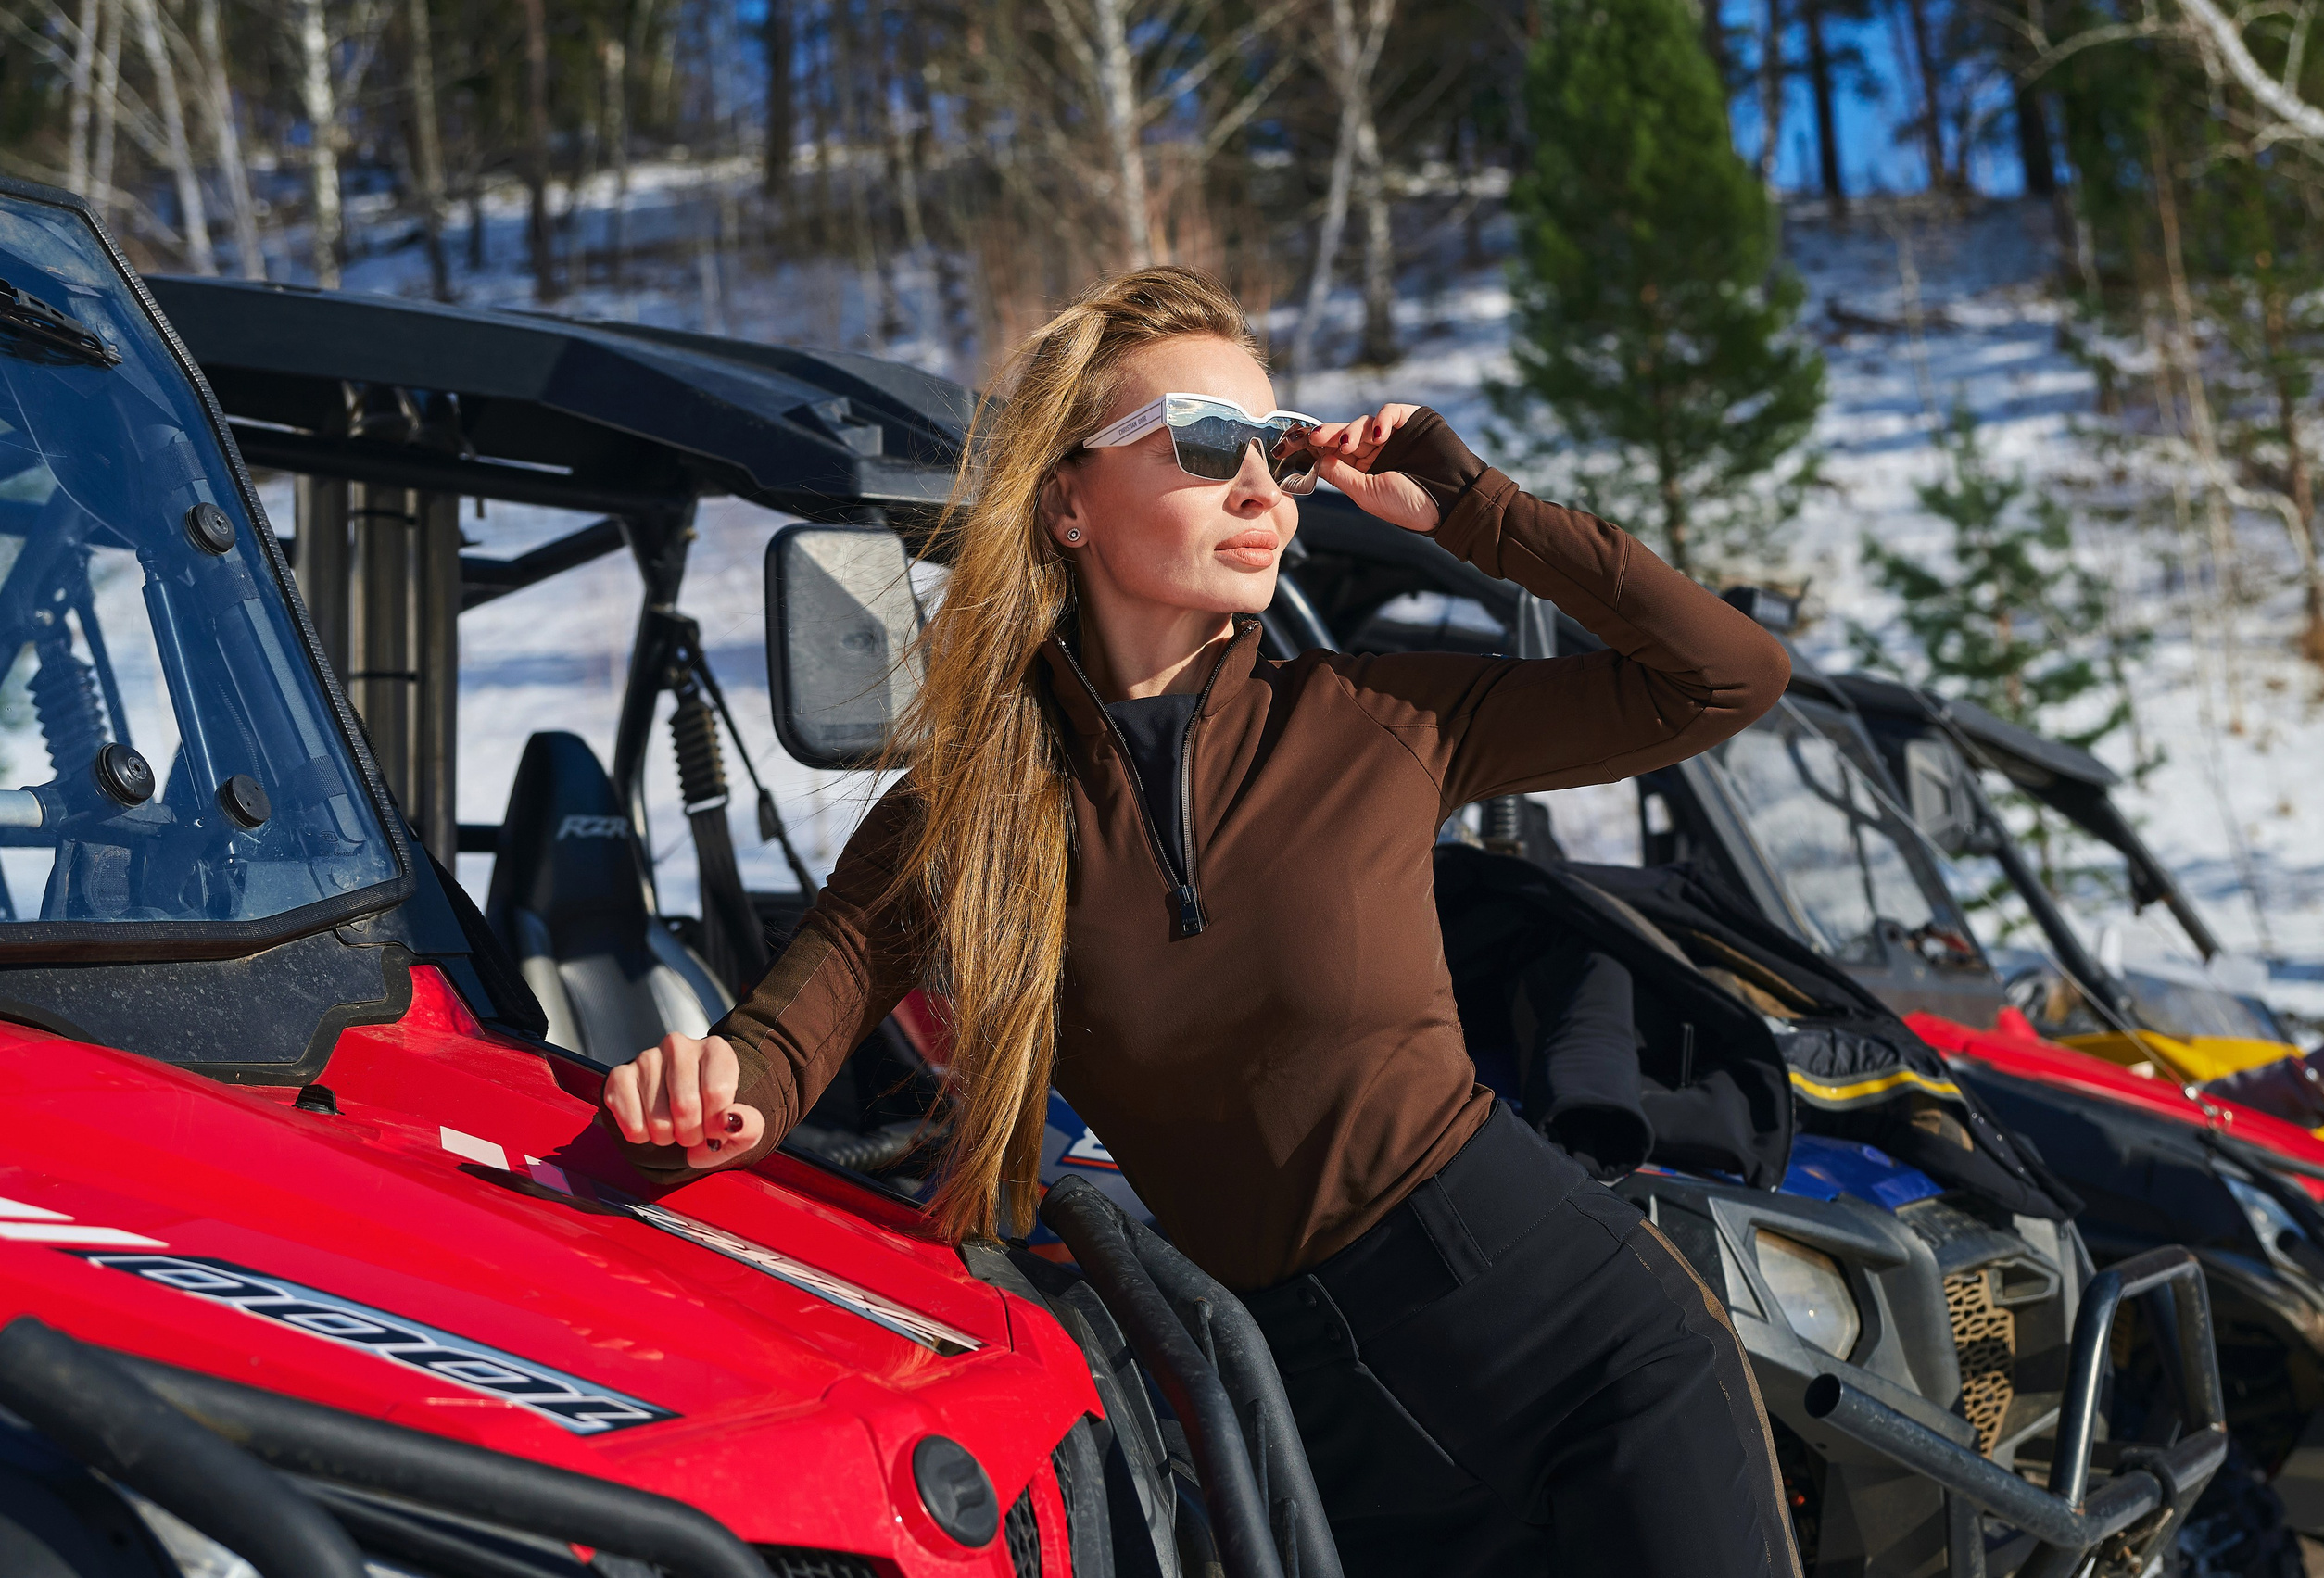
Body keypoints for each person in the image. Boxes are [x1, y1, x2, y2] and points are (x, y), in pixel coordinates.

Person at [601, 266, 1799, 1577]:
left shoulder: (1376, 721)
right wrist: (707, 1098)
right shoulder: (964, 820)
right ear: (1068, 501)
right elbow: (777, 1051)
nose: (1261, 491)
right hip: (1314, 1425)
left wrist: (1469, 508)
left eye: (1277, 455)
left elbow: (1726, 677)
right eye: (1209, 443)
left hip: (1578, 1347)